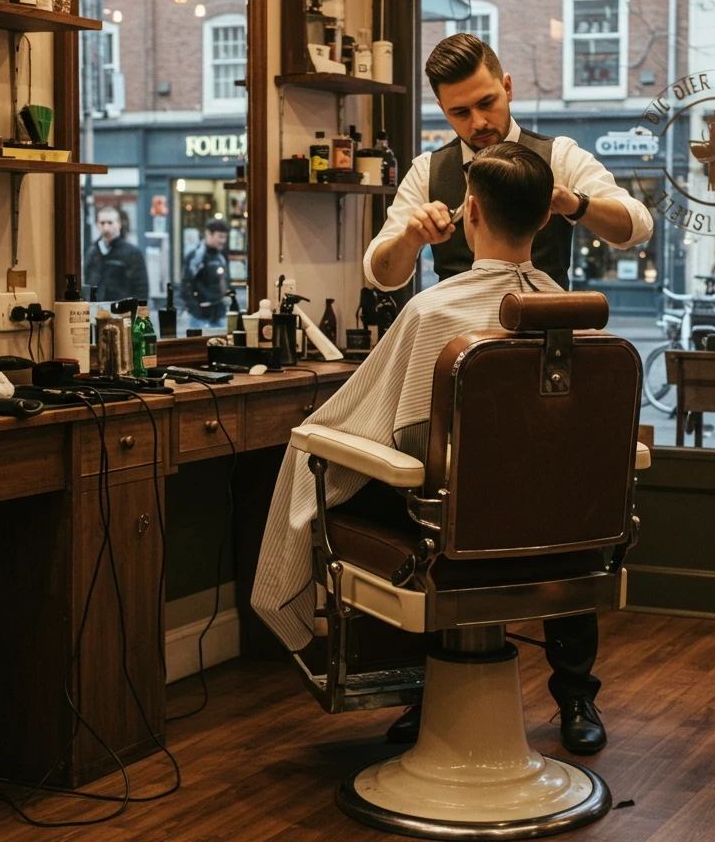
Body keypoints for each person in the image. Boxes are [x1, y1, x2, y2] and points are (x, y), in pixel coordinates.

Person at [254, 143, 608, 755]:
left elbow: (382, 427)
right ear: (546, 217)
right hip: (565, 530)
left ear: (470, 213)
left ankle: (436, 687)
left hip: (453, 528)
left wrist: (315, 437)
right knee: (527, 490)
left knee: (335, 465)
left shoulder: (431, 313)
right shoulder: (577, 316)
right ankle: (442, 692)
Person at [363, 32, 653, 294]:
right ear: (442, 109)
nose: (478, 122)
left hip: (547, 341)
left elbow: (638, 227)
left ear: (508, 87)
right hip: (456, 342)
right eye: (460, 112)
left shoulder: (559, 157)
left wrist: (576, 204)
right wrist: (410, 239)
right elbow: (382, 277)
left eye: (486, 103)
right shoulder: (428, 171)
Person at [83, 205, 149, 303]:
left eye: (110, 223)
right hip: (95, 310)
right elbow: (87, 282)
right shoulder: (92, 252)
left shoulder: (132, 253)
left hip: (122, 312)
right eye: (102, 223)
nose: (106, 227)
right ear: (97, 225)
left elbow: (141, 289)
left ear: (119, 224)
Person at [180, 218, 230, 328]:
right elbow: (185, 284)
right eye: (220, 237)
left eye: (225, 237)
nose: (223, 241)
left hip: (219, 314)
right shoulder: (196, 256)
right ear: (208, 234)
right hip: (200, 317)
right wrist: (194, 308)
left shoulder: (221, 257)